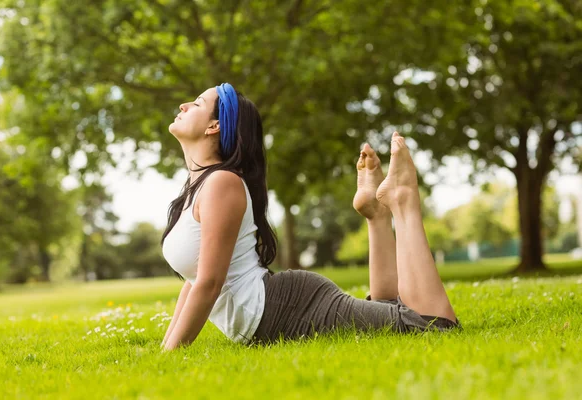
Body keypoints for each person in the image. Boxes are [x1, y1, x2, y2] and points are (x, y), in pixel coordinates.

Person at [160, 83, 460, 351]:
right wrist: (166, 348)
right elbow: (194, 278)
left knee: (431, 325)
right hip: (276, 310)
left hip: (289, 307)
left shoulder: (221, 183)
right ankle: (376, 215)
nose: (183, 106)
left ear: (214, 126)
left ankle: (403, 199)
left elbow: (210, 283)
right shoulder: (196, 188)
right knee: (386, 313)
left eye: (196, 103)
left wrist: (171, 355)